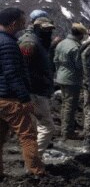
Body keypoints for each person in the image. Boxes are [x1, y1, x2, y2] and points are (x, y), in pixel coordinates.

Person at [0, 8, 45, 177]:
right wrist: (24, 98)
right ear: (13, 23)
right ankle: (36, 172)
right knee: (28, 136)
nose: (24, 24)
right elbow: (12, 74)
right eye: (21, 21)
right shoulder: (9, 44)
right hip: (11, 99)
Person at [17, 16, 57, 156]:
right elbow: (24, 68)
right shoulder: (29, 43)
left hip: (38, 89)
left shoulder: (38, 42)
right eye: (45, 29)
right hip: (35, 91)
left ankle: (31, 157)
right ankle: (34, 158)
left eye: (50, 29)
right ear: (37, 28)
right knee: (47, 126)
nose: (49, 33)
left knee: (34, 126)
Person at [54, 23, 88, 140]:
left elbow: (55, 60)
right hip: (72, 79)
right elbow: (79, 66)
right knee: (70, 106)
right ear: (81, 35)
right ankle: (68, 132)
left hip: (61, 76)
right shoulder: (75, 47)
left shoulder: (61, 43)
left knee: (64, 104)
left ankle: (64, 128)